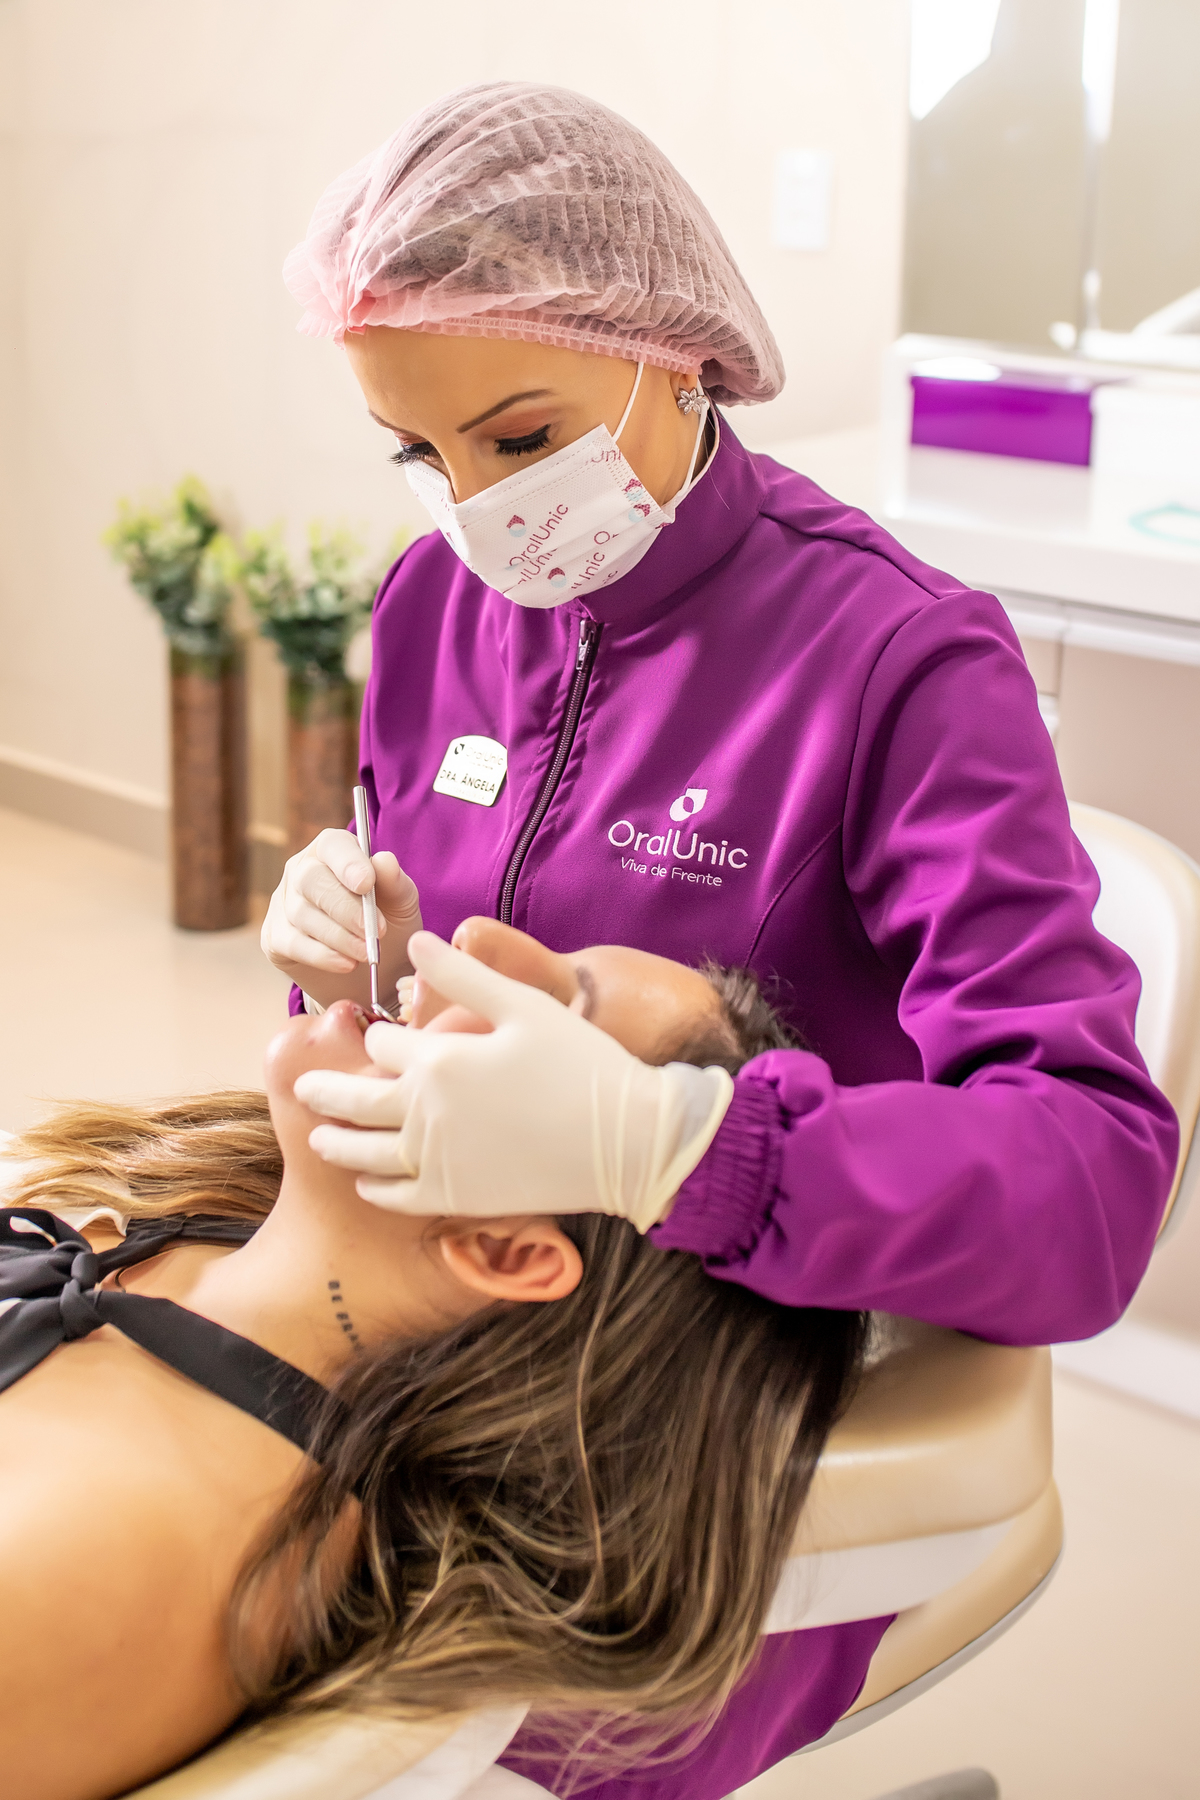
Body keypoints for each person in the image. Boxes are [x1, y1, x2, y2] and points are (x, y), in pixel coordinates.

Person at [264, 81, 1178, 1794]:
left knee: (355, 1710)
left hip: (732, 1388)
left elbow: (1092, 1187)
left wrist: (676, 1144)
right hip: (467, 1316)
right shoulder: (432, 606)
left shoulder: (901, 664)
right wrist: (359, 954)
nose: (471, 510)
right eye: (420, 453)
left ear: (673, 353)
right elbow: (461, 971)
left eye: (519, 438)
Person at [0, 939, 866, 1800]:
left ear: (502, 1250)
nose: (474, 939)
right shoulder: (180, 1219)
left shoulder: (118, 1554)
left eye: (547, 1006)